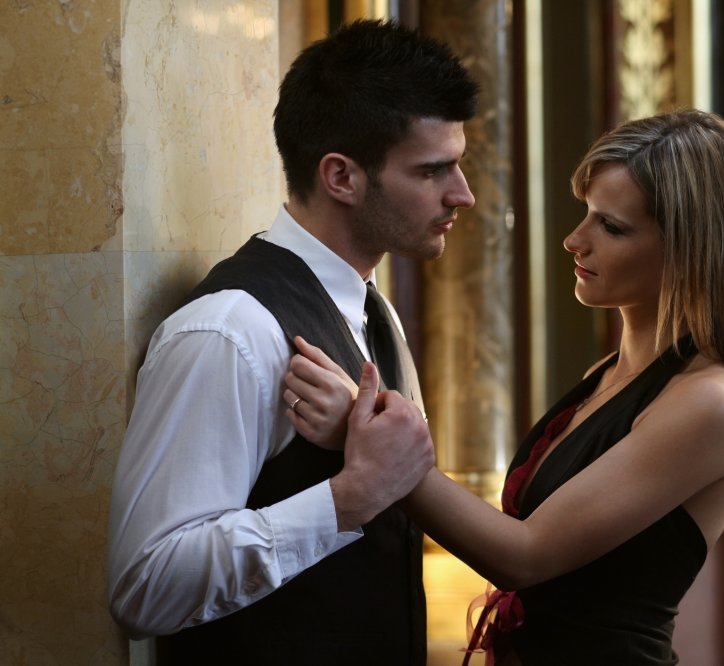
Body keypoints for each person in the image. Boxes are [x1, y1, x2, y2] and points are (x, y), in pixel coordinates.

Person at [289, 109, 724, 664]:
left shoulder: (712, 404)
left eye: (611, 227)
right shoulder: (608, 373)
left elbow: (524, 556)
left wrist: (373, 438)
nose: (574, 240)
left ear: (693, 250)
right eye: (586, 215)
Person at [106, 19, 479, 664]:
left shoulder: (378, 312)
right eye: (431, 171)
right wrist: (346, 499)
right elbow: (147, 585)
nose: (462, 195)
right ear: (341, 177)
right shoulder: (230, 331)